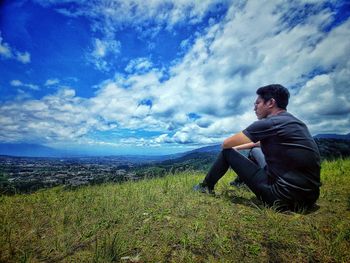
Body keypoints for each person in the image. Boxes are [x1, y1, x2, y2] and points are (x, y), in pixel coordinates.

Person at [194, 84, 321, 211]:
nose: (254, 108)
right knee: (255, 150)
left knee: (227, 152)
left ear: (271, 102)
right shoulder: (295, 123)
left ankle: (205, 187)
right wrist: (238, 151)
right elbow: (257, 144)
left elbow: (226, 144)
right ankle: (240, 183)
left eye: (258, 103)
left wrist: (231, 154)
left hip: (281, 198)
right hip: (309, 198)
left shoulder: (268, 123)